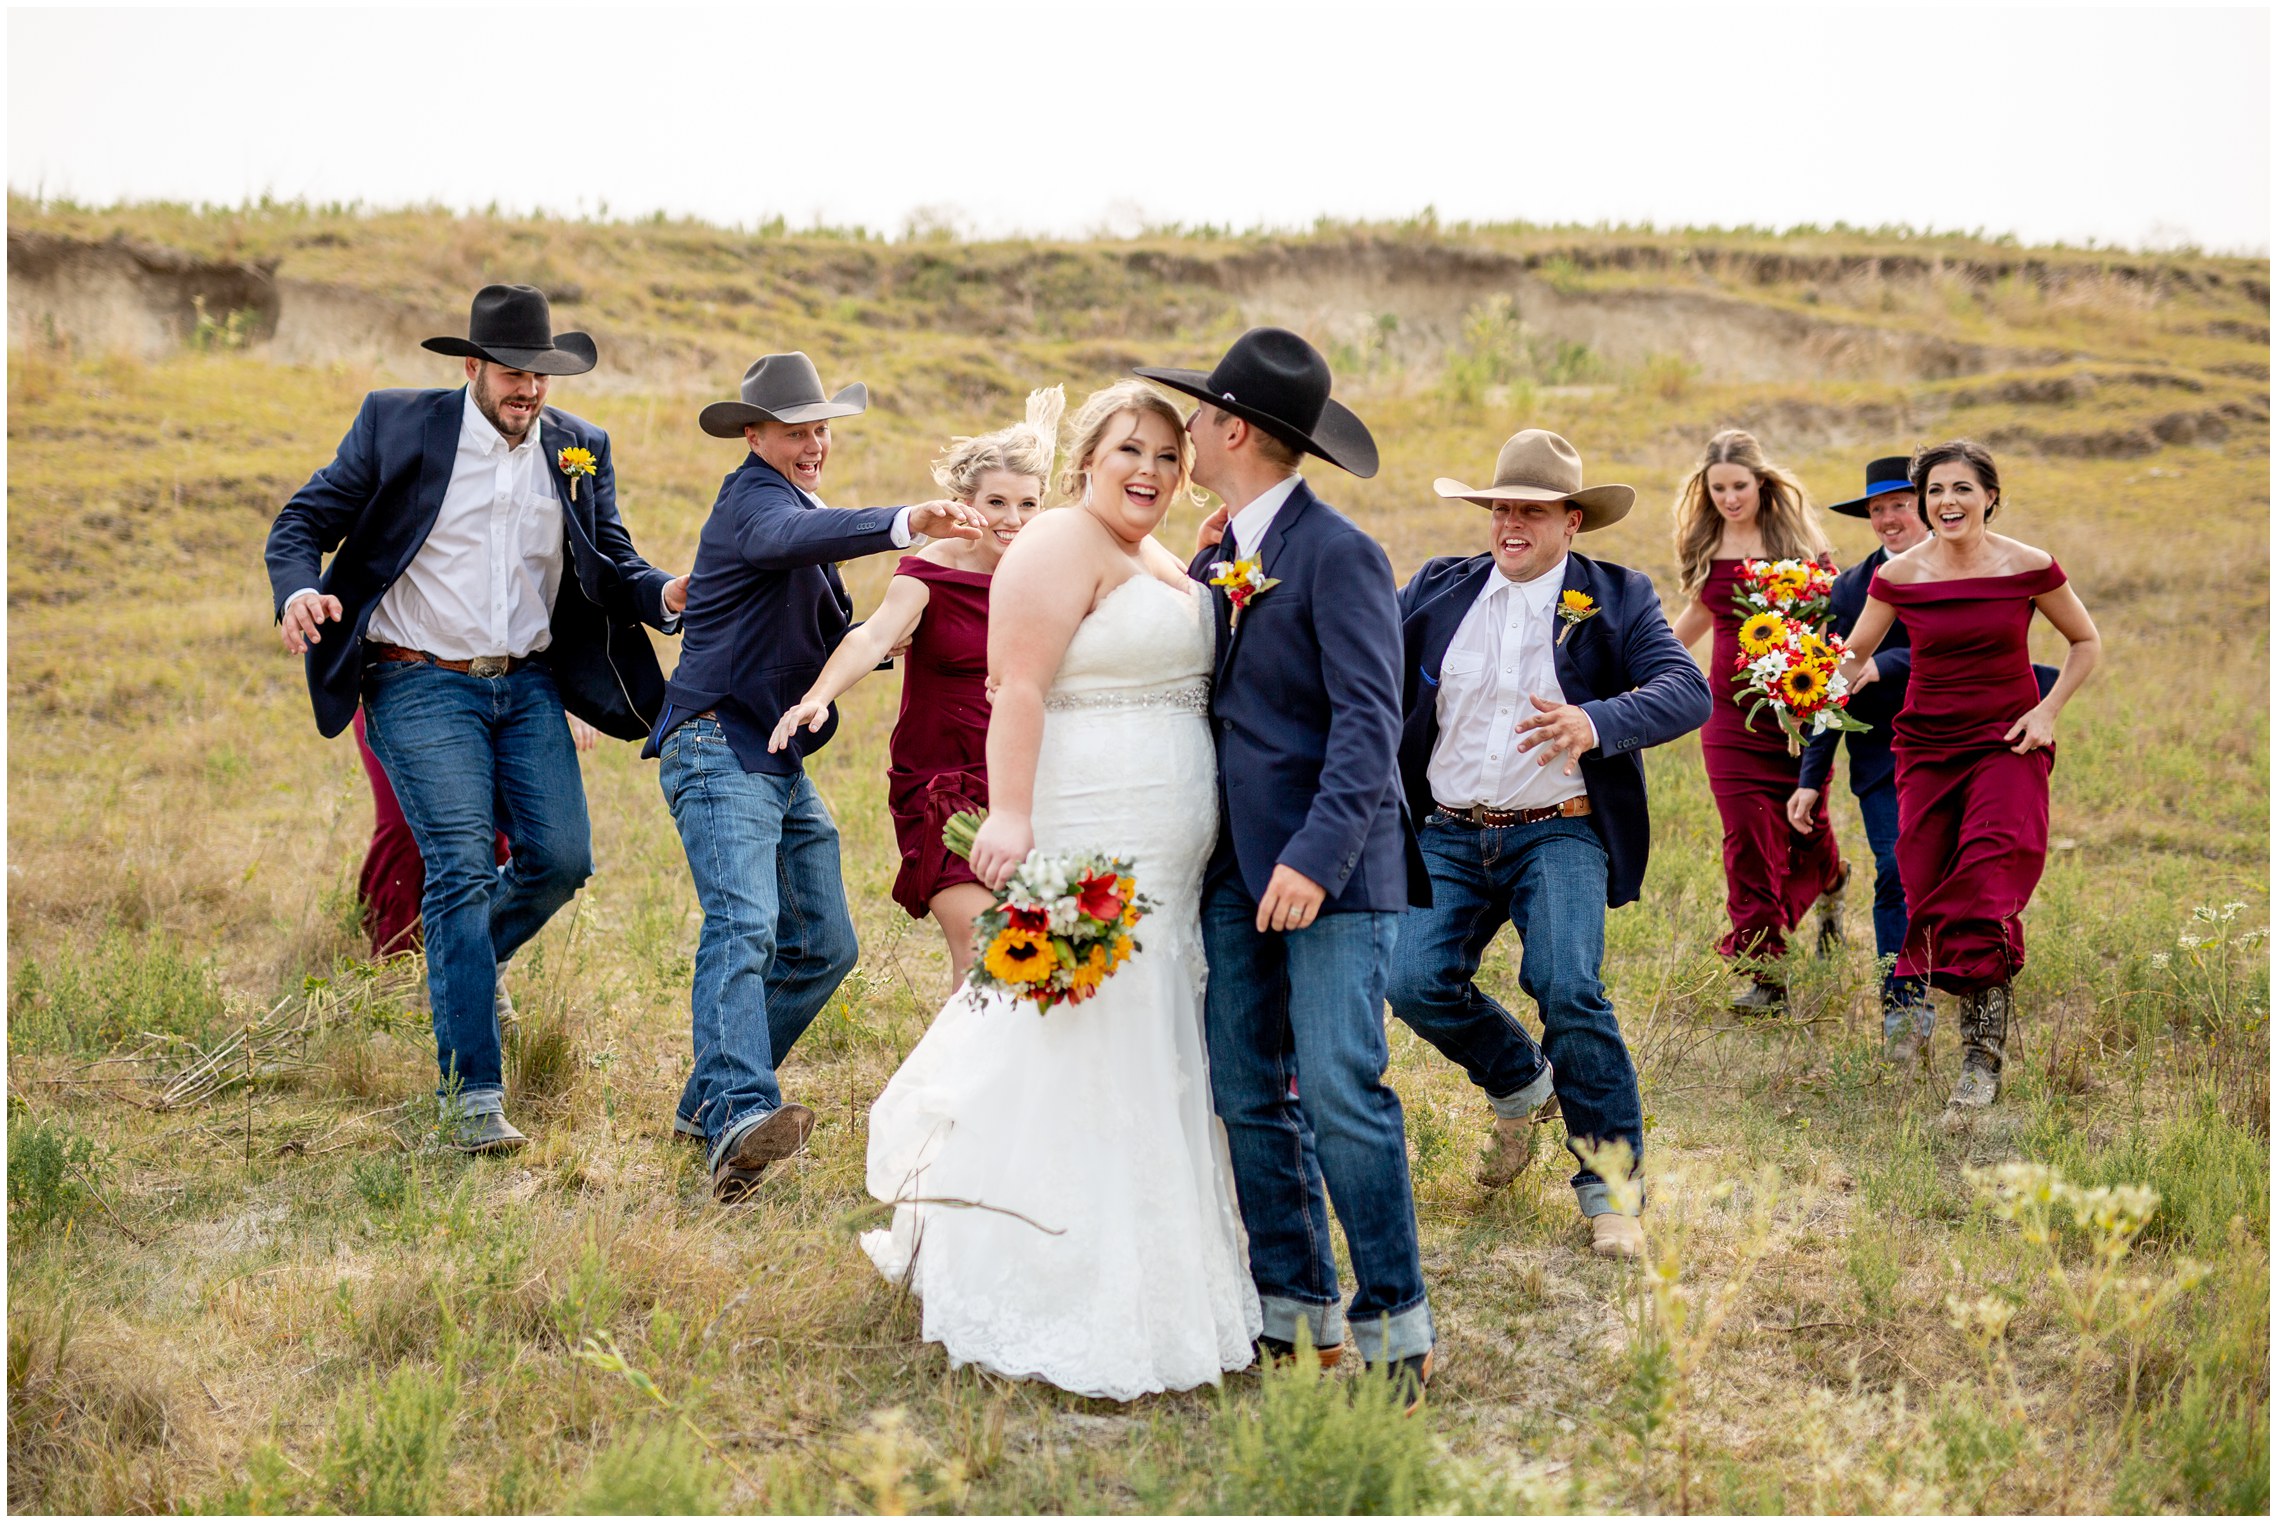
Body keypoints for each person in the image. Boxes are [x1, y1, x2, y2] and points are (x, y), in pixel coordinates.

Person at [861, 380, 1260, 1400]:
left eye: (1170, 457)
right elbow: (1021, 685)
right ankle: (1040, 1263)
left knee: (1149, 1037)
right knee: (1071, 1029)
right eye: (1132, 449)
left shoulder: (1162, 555)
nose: (1152, 472)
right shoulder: (1056, 544)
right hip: (1090, 837)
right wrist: (1011, 815)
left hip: (1169, 857)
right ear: (1087, 453)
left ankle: (1158, 1264)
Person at [266, 284, 689, 1153]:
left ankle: (462, 963)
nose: (527, 389)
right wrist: (301, 587)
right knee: (458, 865)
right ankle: (472, 1096)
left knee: (563, 859)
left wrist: (664, 594)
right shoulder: (398, 424)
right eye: (511, 372)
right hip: (416, 677)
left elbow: (611, 560)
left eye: (540, 374)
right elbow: (304, 519)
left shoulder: (578, 447)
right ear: (473, 368)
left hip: (527, 681)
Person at [1145, 329, 1437, 1404]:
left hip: (1333, 870)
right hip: (1230, 870)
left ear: (1233, 431)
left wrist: (1316, 856)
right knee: (1245, 1089)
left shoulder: (1341, 552)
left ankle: (1397, 1325)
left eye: (1195, 422)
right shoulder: (1220, 555)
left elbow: (1374, 719)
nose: (1183, 440)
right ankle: (1291, 1310)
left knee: (1345, 1088)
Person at [649, 354, 986, 1201]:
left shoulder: (794, 506)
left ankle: (704, 1104)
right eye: (796, 431)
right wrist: (907, 520)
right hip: (718, 744)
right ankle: (737, 1112)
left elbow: (811, 620)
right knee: (745, 924)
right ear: (754, 435)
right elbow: (791, 540)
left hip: (775, 757)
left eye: (821, 429)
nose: (813, 444)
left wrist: (883, 648)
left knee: (825, 943)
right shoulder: (753, 505)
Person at [1385, 431, 1710, 1260]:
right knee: (1411, 979)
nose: (1509, 523)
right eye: (1499, 508)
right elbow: (1357, 652)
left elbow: (1685, 690)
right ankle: (1521, 1083)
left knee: (1568, 983)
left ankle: (1611, 1193)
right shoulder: (1437, 587)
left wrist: (1593, 721)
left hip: (1558, 826)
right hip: (1450, 829)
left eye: (1530, 509)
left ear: (1572, 520)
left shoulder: (1616, 595)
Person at [1837, 441, 2099, 1119]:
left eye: (1960, 489)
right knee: (1924, 886)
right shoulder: (1898, 574)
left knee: (1982, 886)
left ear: (1989, 495)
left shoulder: (2029, 566)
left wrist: (2046, 711)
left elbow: (2084, 642)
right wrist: (1790, 673)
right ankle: (1940, 1024)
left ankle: (1981, 1057)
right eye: (1934, 492)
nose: (1946, 502)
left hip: (2005, 742)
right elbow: (1850, 655)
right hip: (1925, 748)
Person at [769, 388, 1063, 983]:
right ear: (965, 504)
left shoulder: (1055, 571)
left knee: (1037, 953)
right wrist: (817, 698)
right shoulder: (932, 569)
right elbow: (872, 638)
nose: (1012, 519)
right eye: (997, 502)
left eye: (1028, 504)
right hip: (942, 782)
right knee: (986, 950)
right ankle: (965, 1076)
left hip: (1029, 780)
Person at [1668, 430, 1846, 1014]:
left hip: (1794, 710)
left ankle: (1830, 880)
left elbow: (1832, 611)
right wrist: (1648, 663)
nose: (1729, 498)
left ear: (1761, 482)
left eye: (1739, 486)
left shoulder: (1794, 539)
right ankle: (1766, 973)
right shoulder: (1709, 539)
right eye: (1718, 488)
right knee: (1746, 838)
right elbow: (1699, 613)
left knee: (1805, 824)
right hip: (1726, 718)